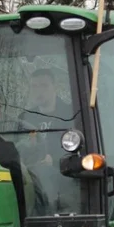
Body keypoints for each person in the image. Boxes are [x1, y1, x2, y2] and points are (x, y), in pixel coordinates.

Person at [18, 67, 76, 212]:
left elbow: (84, 151)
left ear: (54, 87)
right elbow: (16, 146)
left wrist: (55, 160)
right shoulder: (24, 118)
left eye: (44, 85)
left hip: (66, 180)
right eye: (34, 86)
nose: (39, 91)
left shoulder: (71, 115)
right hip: (31, 180)